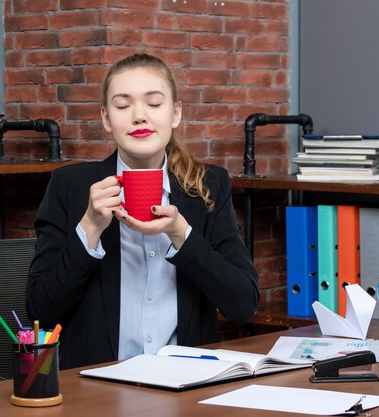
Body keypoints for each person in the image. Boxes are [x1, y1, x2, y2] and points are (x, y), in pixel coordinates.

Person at [26, 52, 259, 369]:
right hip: (97, 387)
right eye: (123, 105)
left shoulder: (209, 185)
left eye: (154, 103)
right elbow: (41, 311)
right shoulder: (70, 186)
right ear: (107, 118)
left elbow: (243, 304)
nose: (139, 116)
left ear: (175, 113)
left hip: (185, 382)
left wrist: (181, 234)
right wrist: (90, 228)